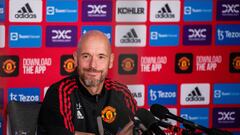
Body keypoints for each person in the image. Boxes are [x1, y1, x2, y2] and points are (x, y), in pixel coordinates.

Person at [37, 30, 138, 135]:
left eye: (101, 57)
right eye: (86, 56)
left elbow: (137, 128)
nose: (93, 65)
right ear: (76, 59)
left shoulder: (122, 93)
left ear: (111, 61)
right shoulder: (60, 92)